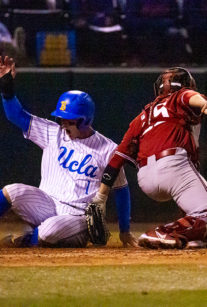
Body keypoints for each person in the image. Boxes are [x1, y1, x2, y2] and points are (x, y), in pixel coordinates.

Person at [0, 56, 137, 248]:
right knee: (11, 191)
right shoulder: (52, 133)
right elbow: (16, 115)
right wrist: (7, 91)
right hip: (46, 203)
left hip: (77, 217)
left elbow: (121, 190)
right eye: (61, 119)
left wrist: (124, 231)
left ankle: (24, 240)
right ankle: (34, 235)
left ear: (85, 120)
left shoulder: (108, 149)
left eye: (69, 120)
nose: (63, 124)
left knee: (49, 231)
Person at [95, 66, 207, 249]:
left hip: (146, 178)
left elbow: (117, 159)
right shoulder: (180, 96)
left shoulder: (142, 116)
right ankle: (164, 232)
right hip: (174, 165)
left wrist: (101, 197)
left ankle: (193, 237)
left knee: (198, 213)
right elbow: (195, 99)